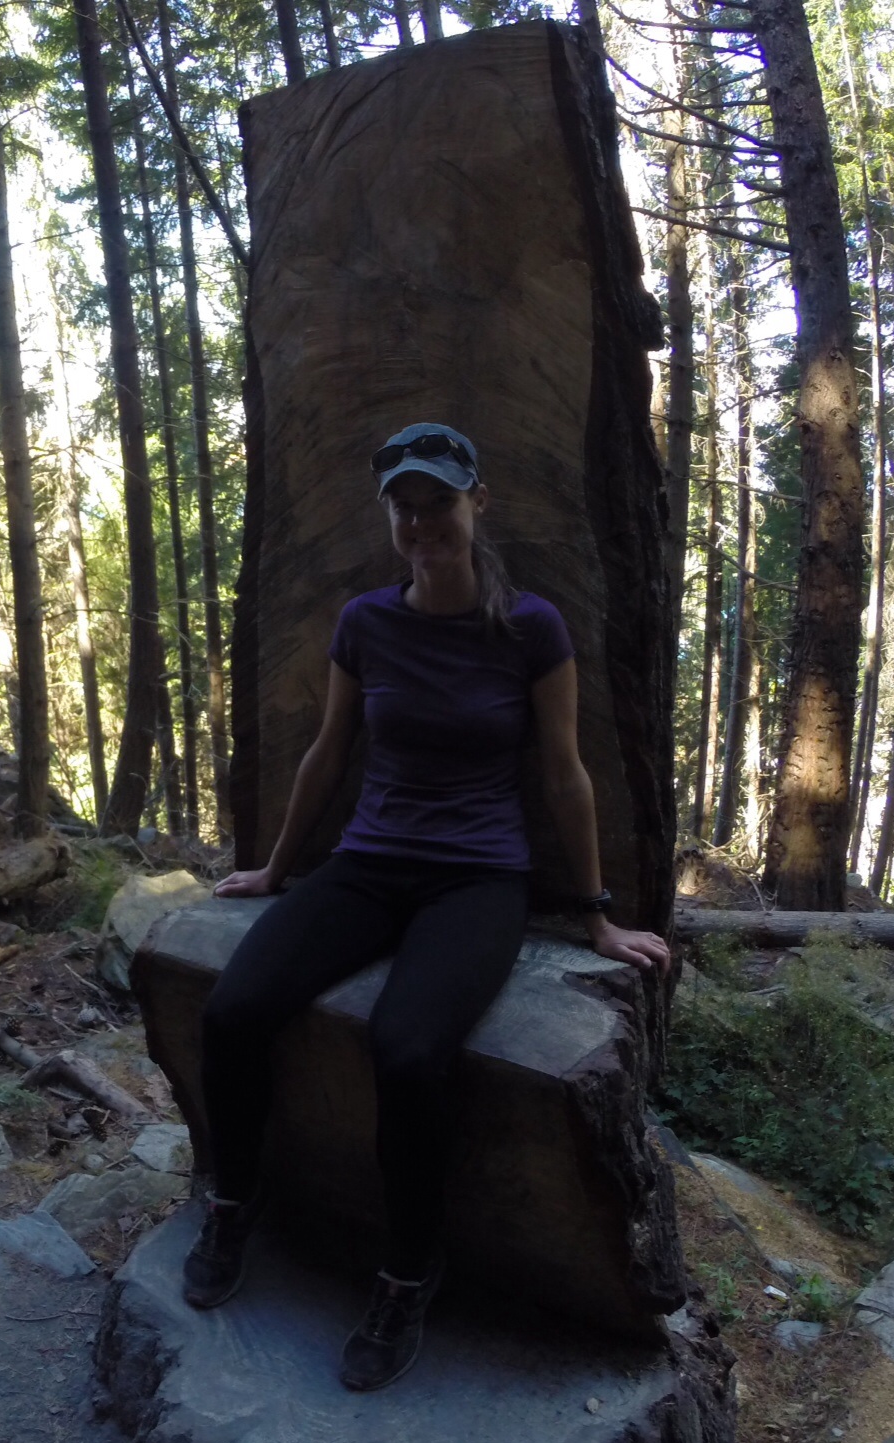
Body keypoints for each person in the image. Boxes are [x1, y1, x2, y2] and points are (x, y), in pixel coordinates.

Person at [183, 422, 671, 1392]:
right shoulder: (365, 622)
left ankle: (408, 1270)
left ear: (476, 503)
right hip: (369, 863)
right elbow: (328, 752)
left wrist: (595, 915)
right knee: (233, 1010)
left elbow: (565, 775)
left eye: (437, 502)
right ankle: (233, 1203)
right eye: (403, 509)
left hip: (476, 880)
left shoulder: (530, 628)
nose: (420, 524)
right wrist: (275, 869)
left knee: (406, 1050)